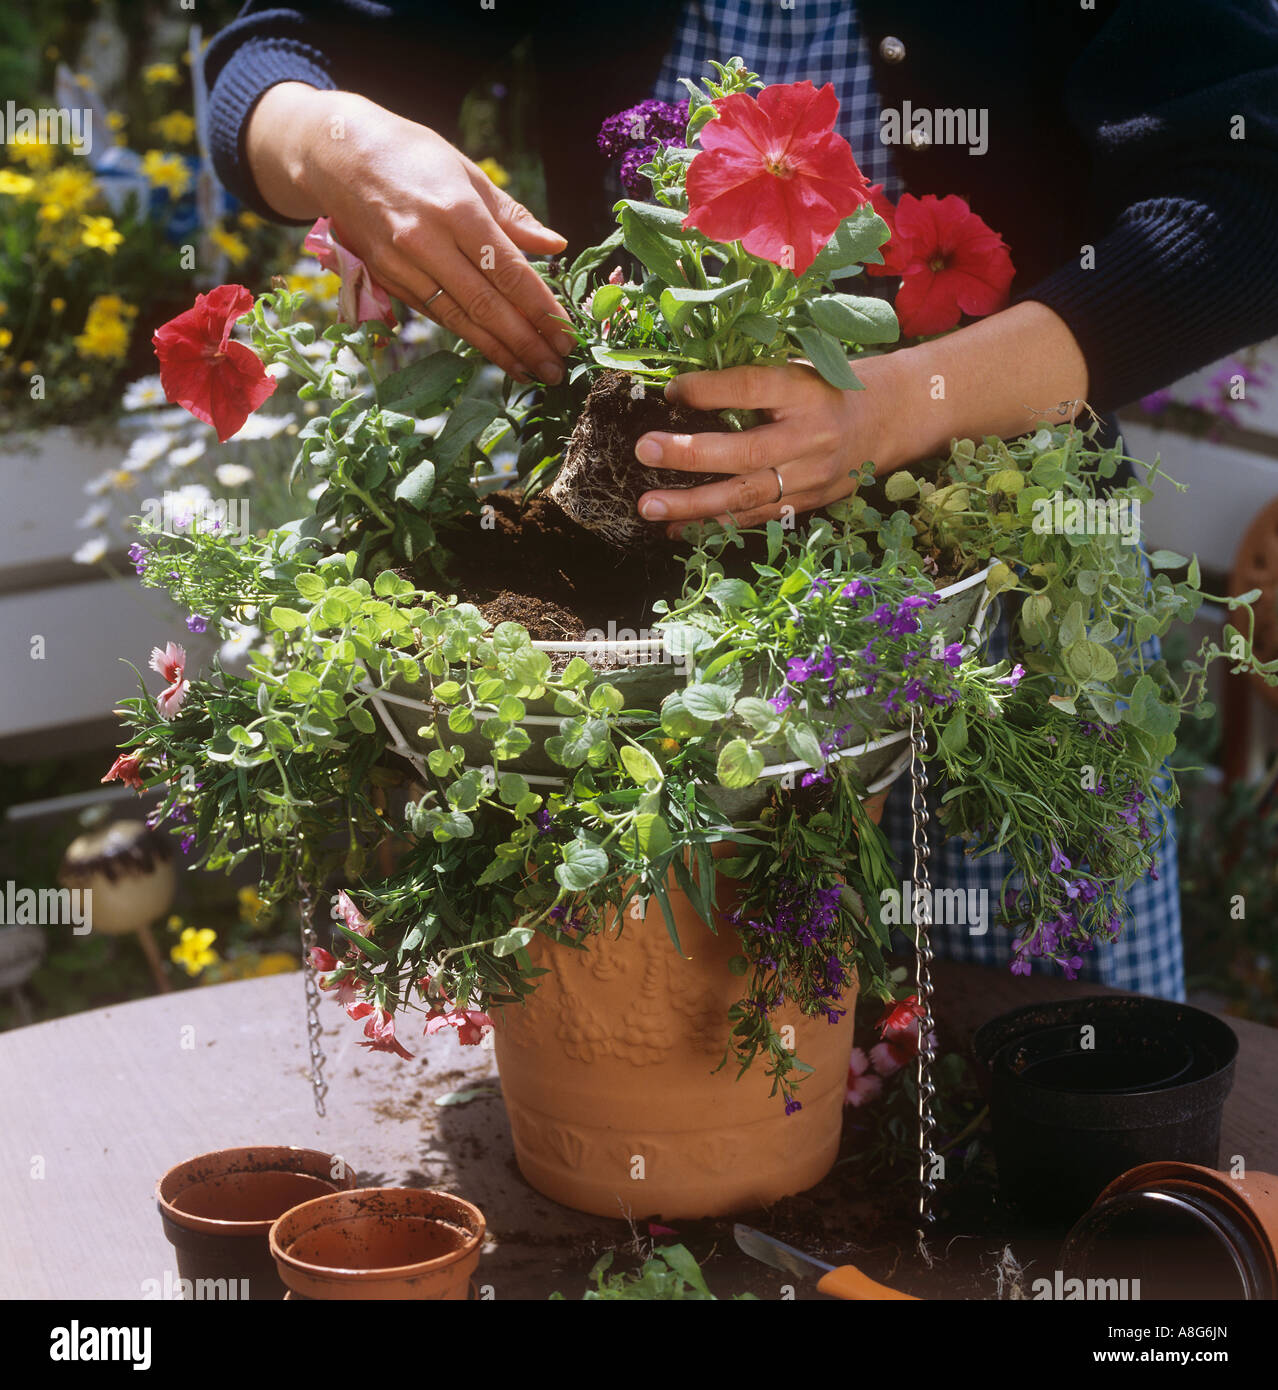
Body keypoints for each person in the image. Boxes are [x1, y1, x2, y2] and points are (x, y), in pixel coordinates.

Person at [205, 0, 1278, 994]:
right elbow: (278, 51)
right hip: (645, 616)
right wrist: (341, 145)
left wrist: (906, 402)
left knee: (1037, 1108)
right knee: (665, 1060)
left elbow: (1252, 182)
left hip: (1002, 593)